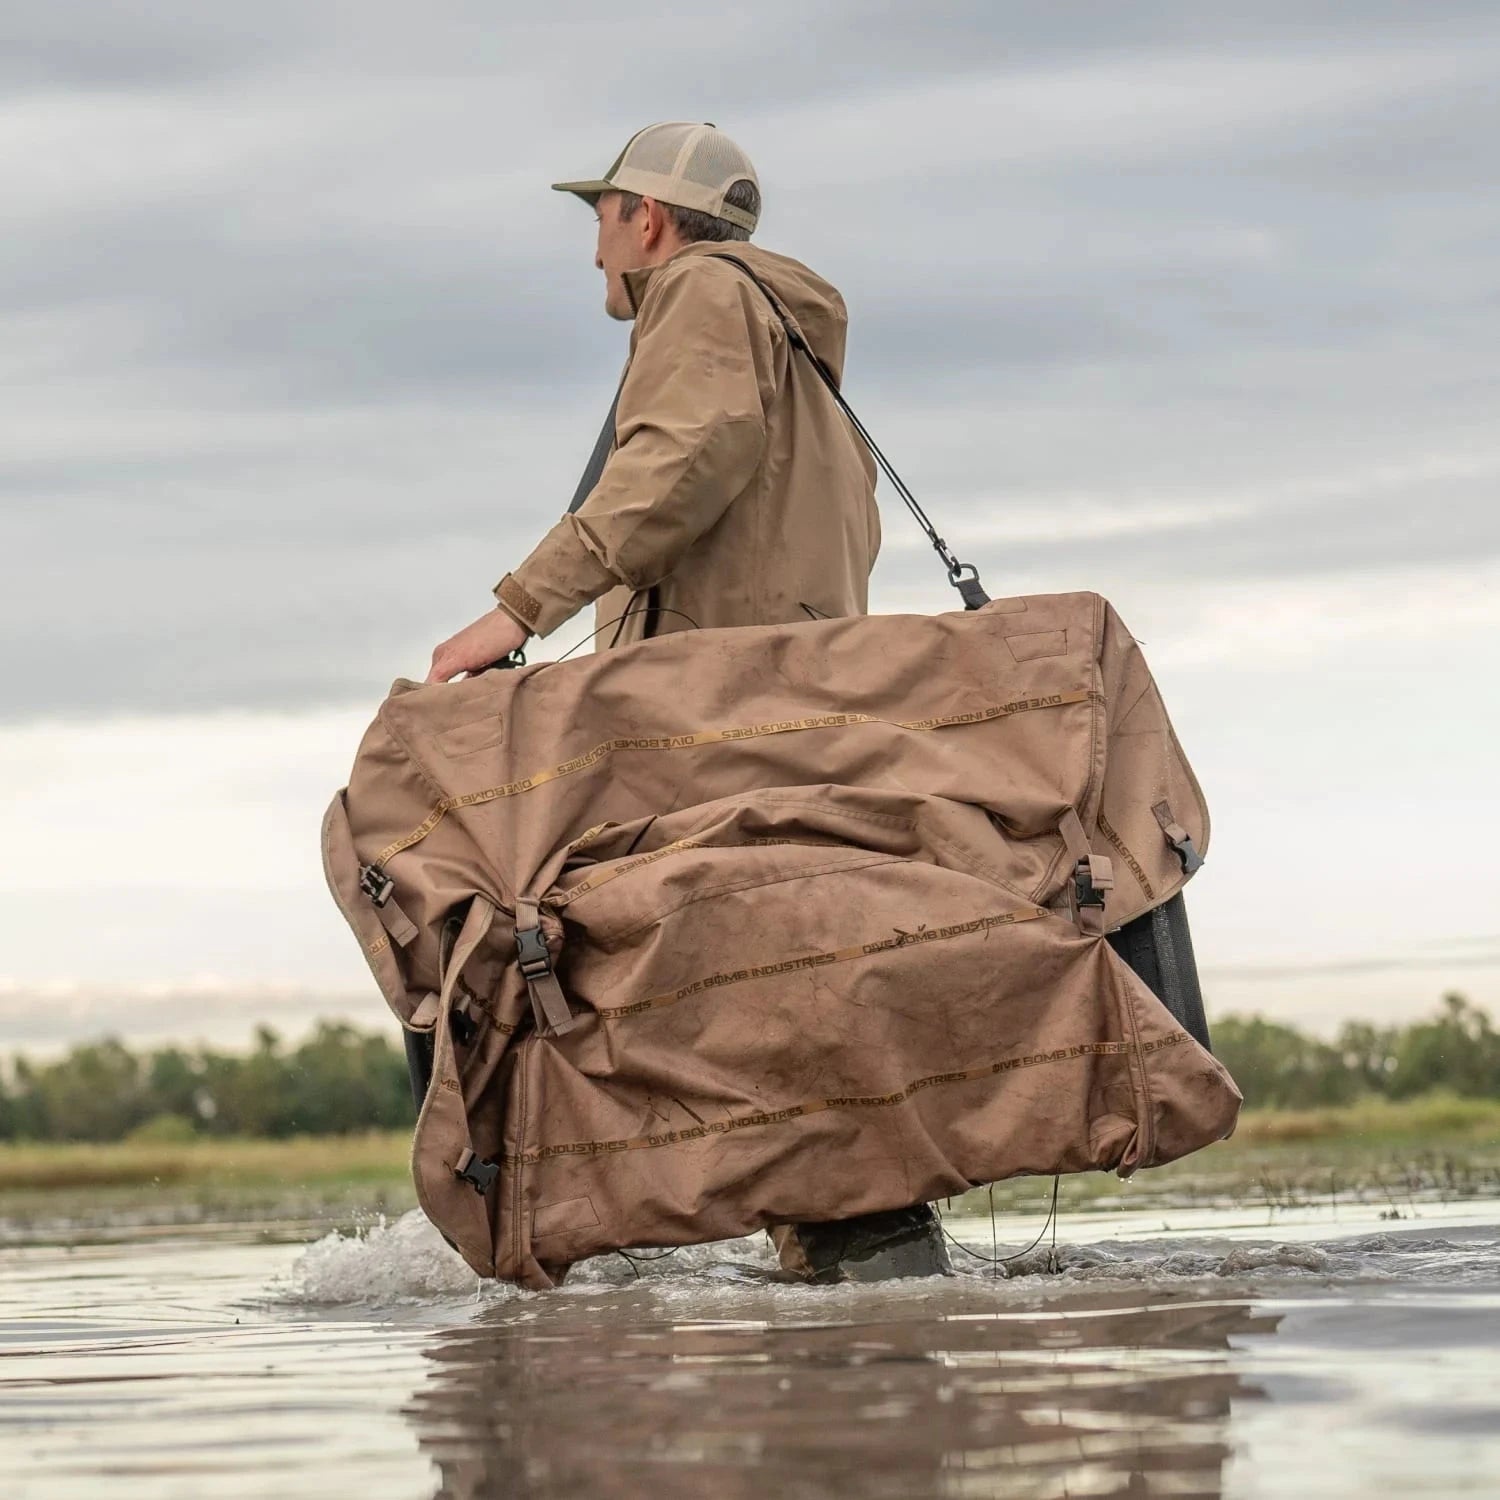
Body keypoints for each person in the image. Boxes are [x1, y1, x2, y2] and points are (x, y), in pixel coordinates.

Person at [425, 121, 949, 1281]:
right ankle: (862, 1254)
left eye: (602, 222)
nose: (595, 256)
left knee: (731, 987)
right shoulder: (786, 335)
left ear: (646, 222)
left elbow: (683, 460)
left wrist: (518, 611)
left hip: (720, 722)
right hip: (790, 709)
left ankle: (836, 1245)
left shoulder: (702, 296)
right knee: (778, 985)